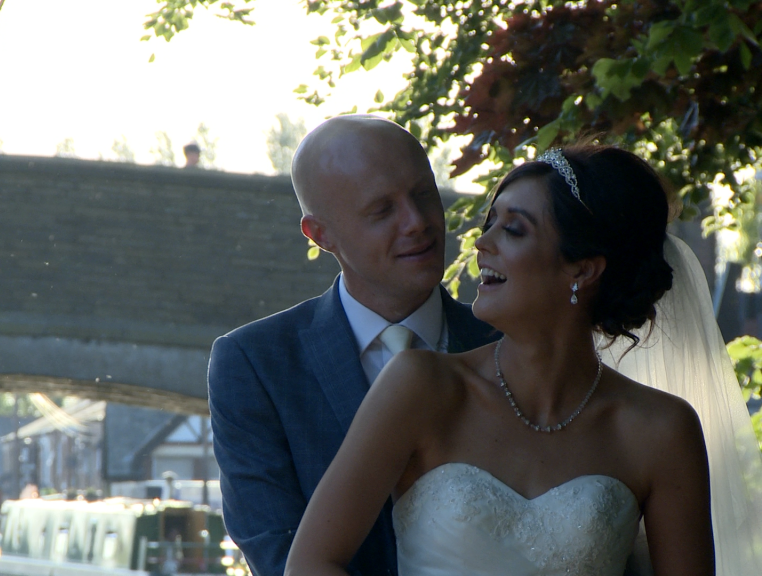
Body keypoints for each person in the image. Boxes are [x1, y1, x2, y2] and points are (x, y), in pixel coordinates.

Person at [285, 145, 726, 576]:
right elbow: (309, 564)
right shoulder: (421, 387)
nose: (481, 243)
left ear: (583, 270)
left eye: (513, 229)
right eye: (490, 222)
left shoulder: (662, 430)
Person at [208, 114, 498, 576]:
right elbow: (277, 552)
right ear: (321, 235)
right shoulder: (256, 364)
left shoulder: (509, 343)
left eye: (424, 194)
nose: (418, 222)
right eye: (382, 210)